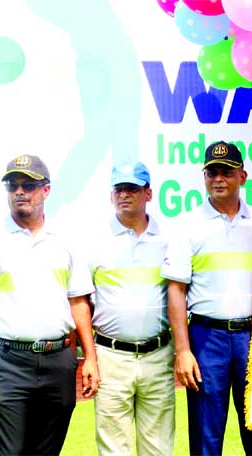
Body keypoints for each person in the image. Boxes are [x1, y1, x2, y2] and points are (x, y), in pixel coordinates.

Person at [0, 154, 99, 455]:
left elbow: (78, 303)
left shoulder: (66, 241)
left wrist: (89, 357)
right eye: (12, 186)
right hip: (6, 362)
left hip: (58, 362)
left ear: (46, 190)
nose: (19, 192)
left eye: (28, 185)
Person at [162, 141, 252, 456]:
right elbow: (176, 290)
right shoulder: (187, 225)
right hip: (206, 338)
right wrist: (183, 351)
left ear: (242, 176)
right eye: (212, 172)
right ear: (204, 176)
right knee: (206, 439)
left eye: (227, 172)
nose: (219, 179)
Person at [88, 161, 174, 455]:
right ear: (111, 196)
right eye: (119, 189)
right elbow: (80, 302)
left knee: (158, 447)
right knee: (113, 449)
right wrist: (88, 358)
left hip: (158, 356)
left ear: (148, 193)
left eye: (133, 189)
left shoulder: (169, 240)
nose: (125, 195)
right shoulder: (93, 241)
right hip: (110, 358)